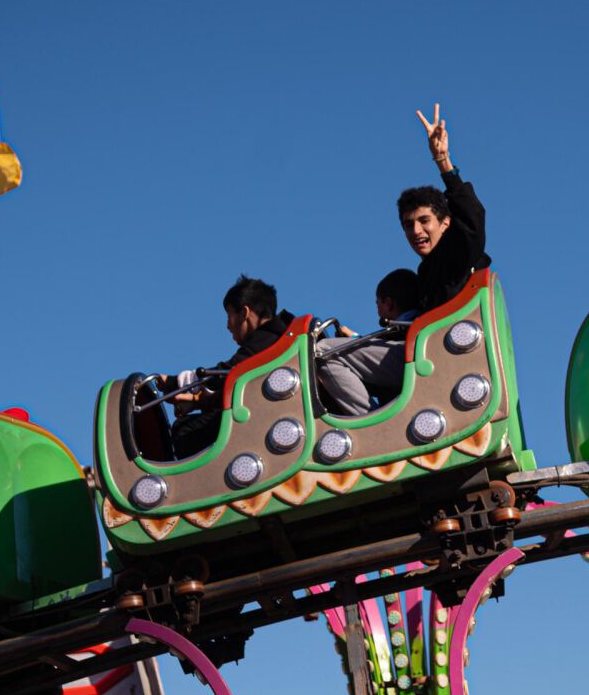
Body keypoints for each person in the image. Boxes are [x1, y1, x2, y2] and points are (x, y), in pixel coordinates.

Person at [316, 106, 489, 416]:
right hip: (422, 353)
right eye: (408, 224)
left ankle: (366, 425)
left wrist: (444, 163)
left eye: (424, 221)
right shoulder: (426, 272)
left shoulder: (455, 258)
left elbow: (473, 219)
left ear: (445, 223)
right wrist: (361, 340)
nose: (416, 231)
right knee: (332, 351)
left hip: (440, 359)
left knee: (322, 353)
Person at [166, 276, 296, 459]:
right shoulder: (282, 337)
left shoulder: (265, 340)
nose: (228, 326)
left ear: (244, 313)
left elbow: (226, 374)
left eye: (229, 316)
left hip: (264, 423)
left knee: (184, 430)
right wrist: (197, 401)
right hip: (272, 415)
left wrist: (172, 383)